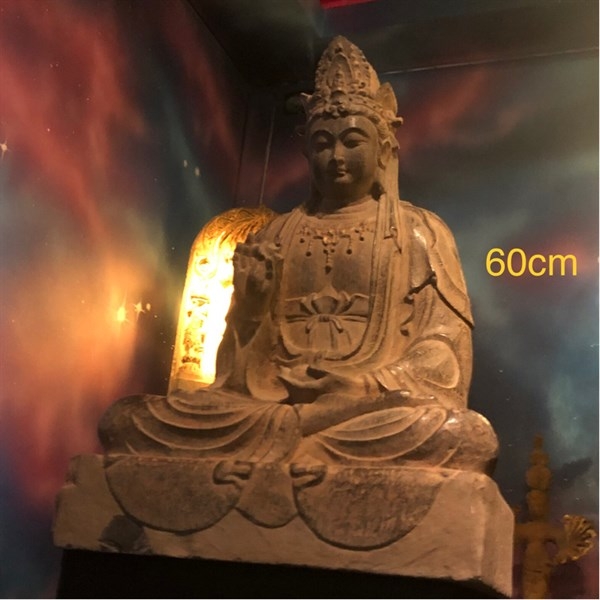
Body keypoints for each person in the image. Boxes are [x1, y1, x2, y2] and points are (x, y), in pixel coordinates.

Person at [100, 36, 497, 474]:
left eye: (352, 141)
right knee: (126, 421)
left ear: (384, 148)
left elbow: (444, 350)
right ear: (307, 151)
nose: (336, 157)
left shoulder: (420, 232)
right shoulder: (276, 234)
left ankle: (297, 441)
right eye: (323, 143)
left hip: (364, 411)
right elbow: (234, 373)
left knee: (462, 436)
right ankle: (299, 440)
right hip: (268, 404)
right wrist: (251, 311)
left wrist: (364, 385)